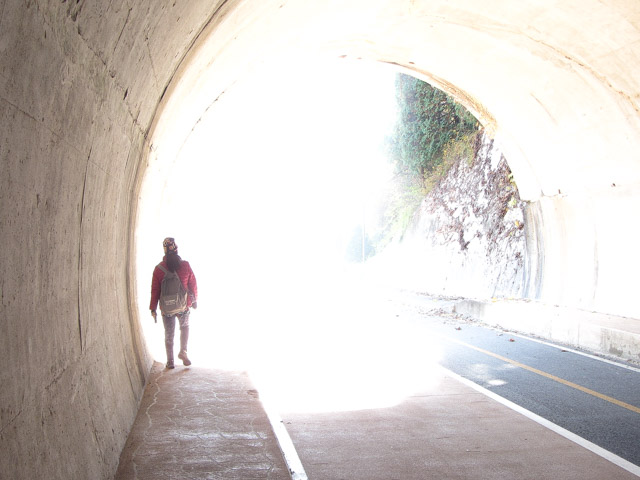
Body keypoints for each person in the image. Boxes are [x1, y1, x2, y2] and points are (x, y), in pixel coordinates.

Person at [150, 237, 198, 369]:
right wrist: (194, 301)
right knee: (184, 327)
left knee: (169, 333)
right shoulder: (185, 265)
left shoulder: (159, 269)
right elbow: (192, 284)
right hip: (183, 306)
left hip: (167, 309)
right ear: (176, 249)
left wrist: (153, 308)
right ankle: (183, 351)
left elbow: (155, 290)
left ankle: (170, 361)